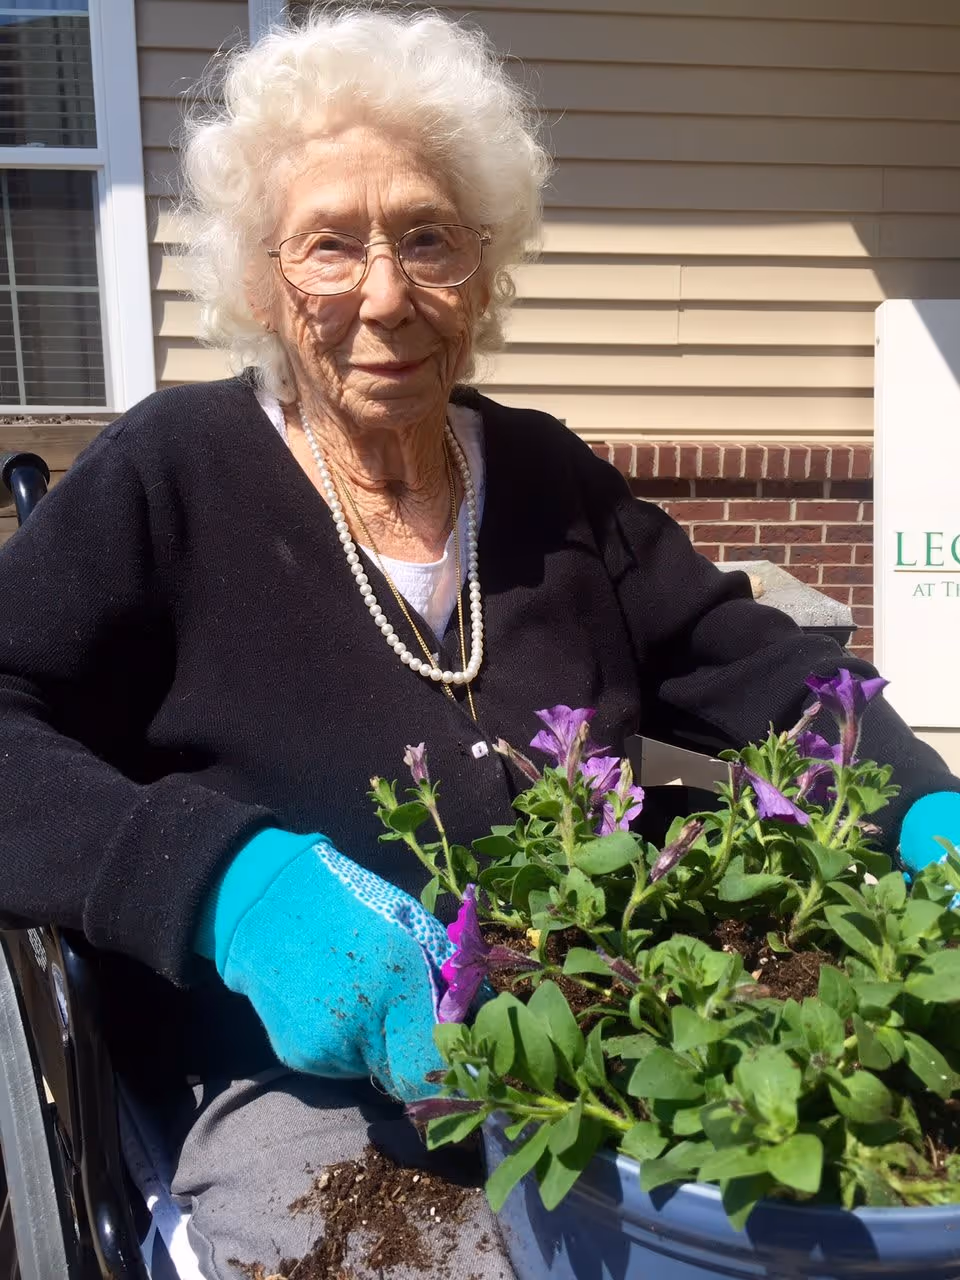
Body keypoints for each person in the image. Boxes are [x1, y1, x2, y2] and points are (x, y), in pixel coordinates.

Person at [1, 6, 958, 1277]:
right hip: (299, 1088)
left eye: (428, 238)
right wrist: (224, 887)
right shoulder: (171, 475)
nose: (386, 295)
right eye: (329, 246)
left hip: (590, 1028)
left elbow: (758, 662)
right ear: (260, 283)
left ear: (484, 269)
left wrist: (927, 807)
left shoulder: (548, 478)